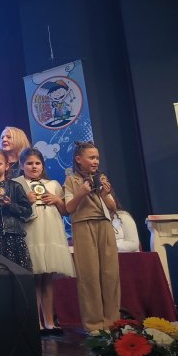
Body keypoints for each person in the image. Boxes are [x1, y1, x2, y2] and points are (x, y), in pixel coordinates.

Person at [13, 148, 74, 334]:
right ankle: (36, 322)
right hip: (32, 232)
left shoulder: (53, 184)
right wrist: (26, 200)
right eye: (29, 163)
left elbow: (65, 211)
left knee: (47, 279)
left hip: (51, 232)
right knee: (34, 279)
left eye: (37, 163)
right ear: (21, 165)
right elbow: (13, 209)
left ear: (42, 165)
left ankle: (49, 321)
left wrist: (57, 200)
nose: (34, 167)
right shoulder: (16, 184)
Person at [64, 140, 120, 334]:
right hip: (83, 226)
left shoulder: (101, 178)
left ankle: (112, 322)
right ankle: (94, 324)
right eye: (91, 157)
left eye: (97, 158)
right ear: (79, 159)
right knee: (89, 275)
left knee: (110, 274)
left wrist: (105, 194)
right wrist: (81, 193)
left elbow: (113, 207)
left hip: (104, 224)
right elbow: (68, 208)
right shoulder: (71, 180)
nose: (96, 161)